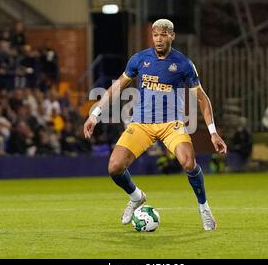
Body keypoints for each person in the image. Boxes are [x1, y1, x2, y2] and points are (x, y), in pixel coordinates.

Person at [83, 19, 227, 231]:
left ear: (172, 36)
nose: (159, 39)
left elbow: (202, 98)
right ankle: (136, 196)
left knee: (188, 163)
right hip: (142, 124)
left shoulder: (184, 64)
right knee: (114, 167)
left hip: (171, 124)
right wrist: (94, 114)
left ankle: (204, 208)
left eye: (163, 35)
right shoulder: (140, 59)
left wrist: (213, 132)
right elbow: (117, 88)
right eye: (155, 35)